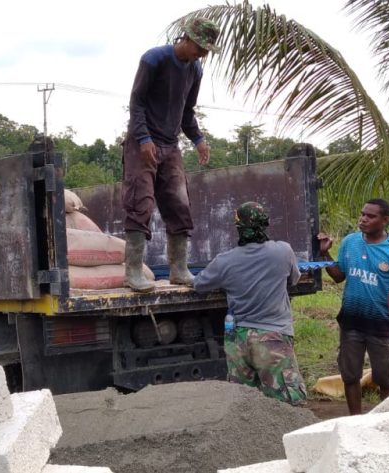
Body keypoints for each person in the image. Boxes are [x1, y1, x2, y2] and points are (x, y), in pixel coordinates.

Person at [122, 17, 221, 292]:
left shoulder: (195, 70)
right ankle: (132, 272)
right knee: (140, 202)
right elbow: (137, 102)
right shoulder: (154, 59)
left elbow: (187, 111)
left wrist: (198, 139)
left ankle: (178, 270)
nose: (202, 54)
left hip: (170, 144)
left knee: (179, 204)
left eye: (206, 50)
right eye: (200, 47)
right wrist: (143, 138)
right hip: (142, 144)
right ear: (186, 38)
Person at [194, 202, 307, 405]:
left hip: (239, 340)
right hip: (273, 338)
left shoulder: (224, 261)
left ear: (238, 227)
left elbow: (199, 284)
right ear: (265, 225)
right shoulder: (283, 252)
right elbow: (294, 279)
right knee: (287, 406)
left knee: (244, 407)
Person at [318, 199, 389, 415]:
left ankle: (385, 420)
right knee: (350, 375)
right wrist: (324, 254)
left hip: (382, 326)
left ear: (385, 220)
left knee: (384, 378)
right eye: (362, 214)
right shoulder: (350, 242)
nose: (363, 219)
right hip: (351, 324)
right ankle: (355, 420)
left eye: (371, 216)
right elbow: (339, 276)